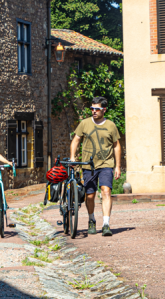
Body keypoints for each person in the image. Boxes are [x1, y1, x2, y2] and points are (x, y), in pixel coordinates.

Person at [70, 96, 122, 237]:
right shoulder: (85, 124)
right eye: (92, 108)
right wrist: (72, 157)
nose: (93, 111)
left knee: (106, 191)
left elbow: (116, 146)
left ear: (104, 110)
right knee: (90, 195)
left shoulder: (111, 125)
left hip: (106, 164)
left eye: (97, 109)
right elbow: (76, 140)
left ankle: (106, 224)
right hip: (88, 165)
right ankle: (91, 219)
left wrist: (117, 166)